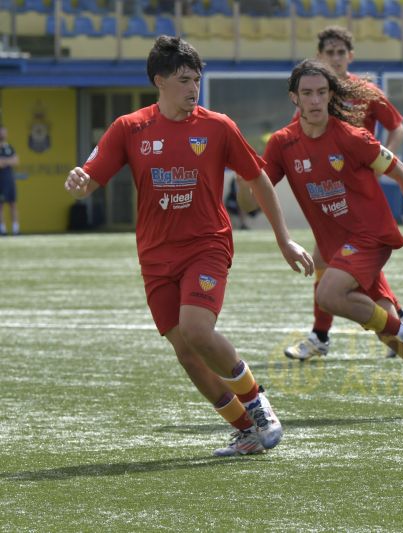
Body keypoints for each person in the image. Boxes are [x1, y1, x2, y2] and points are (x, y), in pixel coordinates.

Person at [63, 36, 314, 457]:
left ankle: (257, 403)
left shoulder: (218, 126)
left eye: (196, 79)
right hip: (155, 257)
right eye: (183, 80)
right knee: (186, 351)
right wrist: (79, 181)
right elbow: (90, 178)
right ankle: (245, 430)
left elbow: (257, 178)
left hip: (206, 245)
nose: (193, 88)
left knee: (197, 330)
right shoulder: (129, 128)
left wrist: (284, 238)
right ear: (159, 81)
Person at [262, 59, 403, 417]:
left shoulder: (352, 136)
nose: (315, 100)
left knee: (329, 294)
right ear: (295, 98)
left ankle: (402, 328)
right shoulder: (282, 143)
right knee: (389, 333)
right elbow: (257, 190)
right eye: (307, 93)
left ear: (331, 95)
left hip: (370, 236)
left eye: (321, 92)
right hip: (341, 249)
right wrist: (244, 178)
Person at [283, 25, 403, 361]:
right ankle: (400, 320)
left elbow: (397, 127)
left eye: (341, 52)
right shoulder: (314, 94)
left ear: (350, 56)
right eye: (330, 52)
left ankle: (321, 336)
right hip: (329, 192)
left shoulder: (364, 91)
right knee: (343, 261)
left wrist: (381, 166)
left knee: (329, 259)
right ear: (320, 56)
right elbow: (297, 134)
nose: (336, 58)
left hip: (356, 191)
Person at [0, 126, 20, 236]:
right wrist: (9, 160)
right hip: (1, 181)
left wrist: (4, 161)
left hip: (9, 180)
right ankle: (2, 230)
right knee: (1, 205)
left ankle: (16, 230)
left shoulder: (9, 147)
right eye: (1, 132)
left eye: (4, 132)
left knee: (13, 204)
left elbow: (16, 161)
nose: (3, 134)